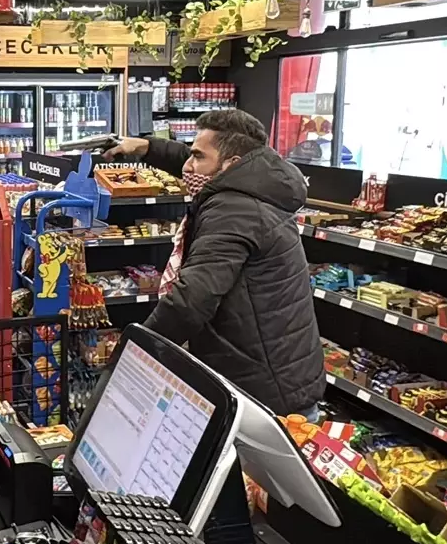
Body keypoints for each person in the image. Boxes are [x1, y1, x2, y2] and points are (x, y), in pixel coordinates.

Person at [105, 110, 325, 419]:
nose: (188, 166)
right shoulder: (255, 182)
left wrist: (133, 352)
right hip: (272, 374)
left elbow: (191, 300)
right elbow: (196, 157)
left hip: (265, 395)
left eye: (197, 157)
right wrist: (145, 148)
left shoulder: (234, 210)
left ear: (231, 165)